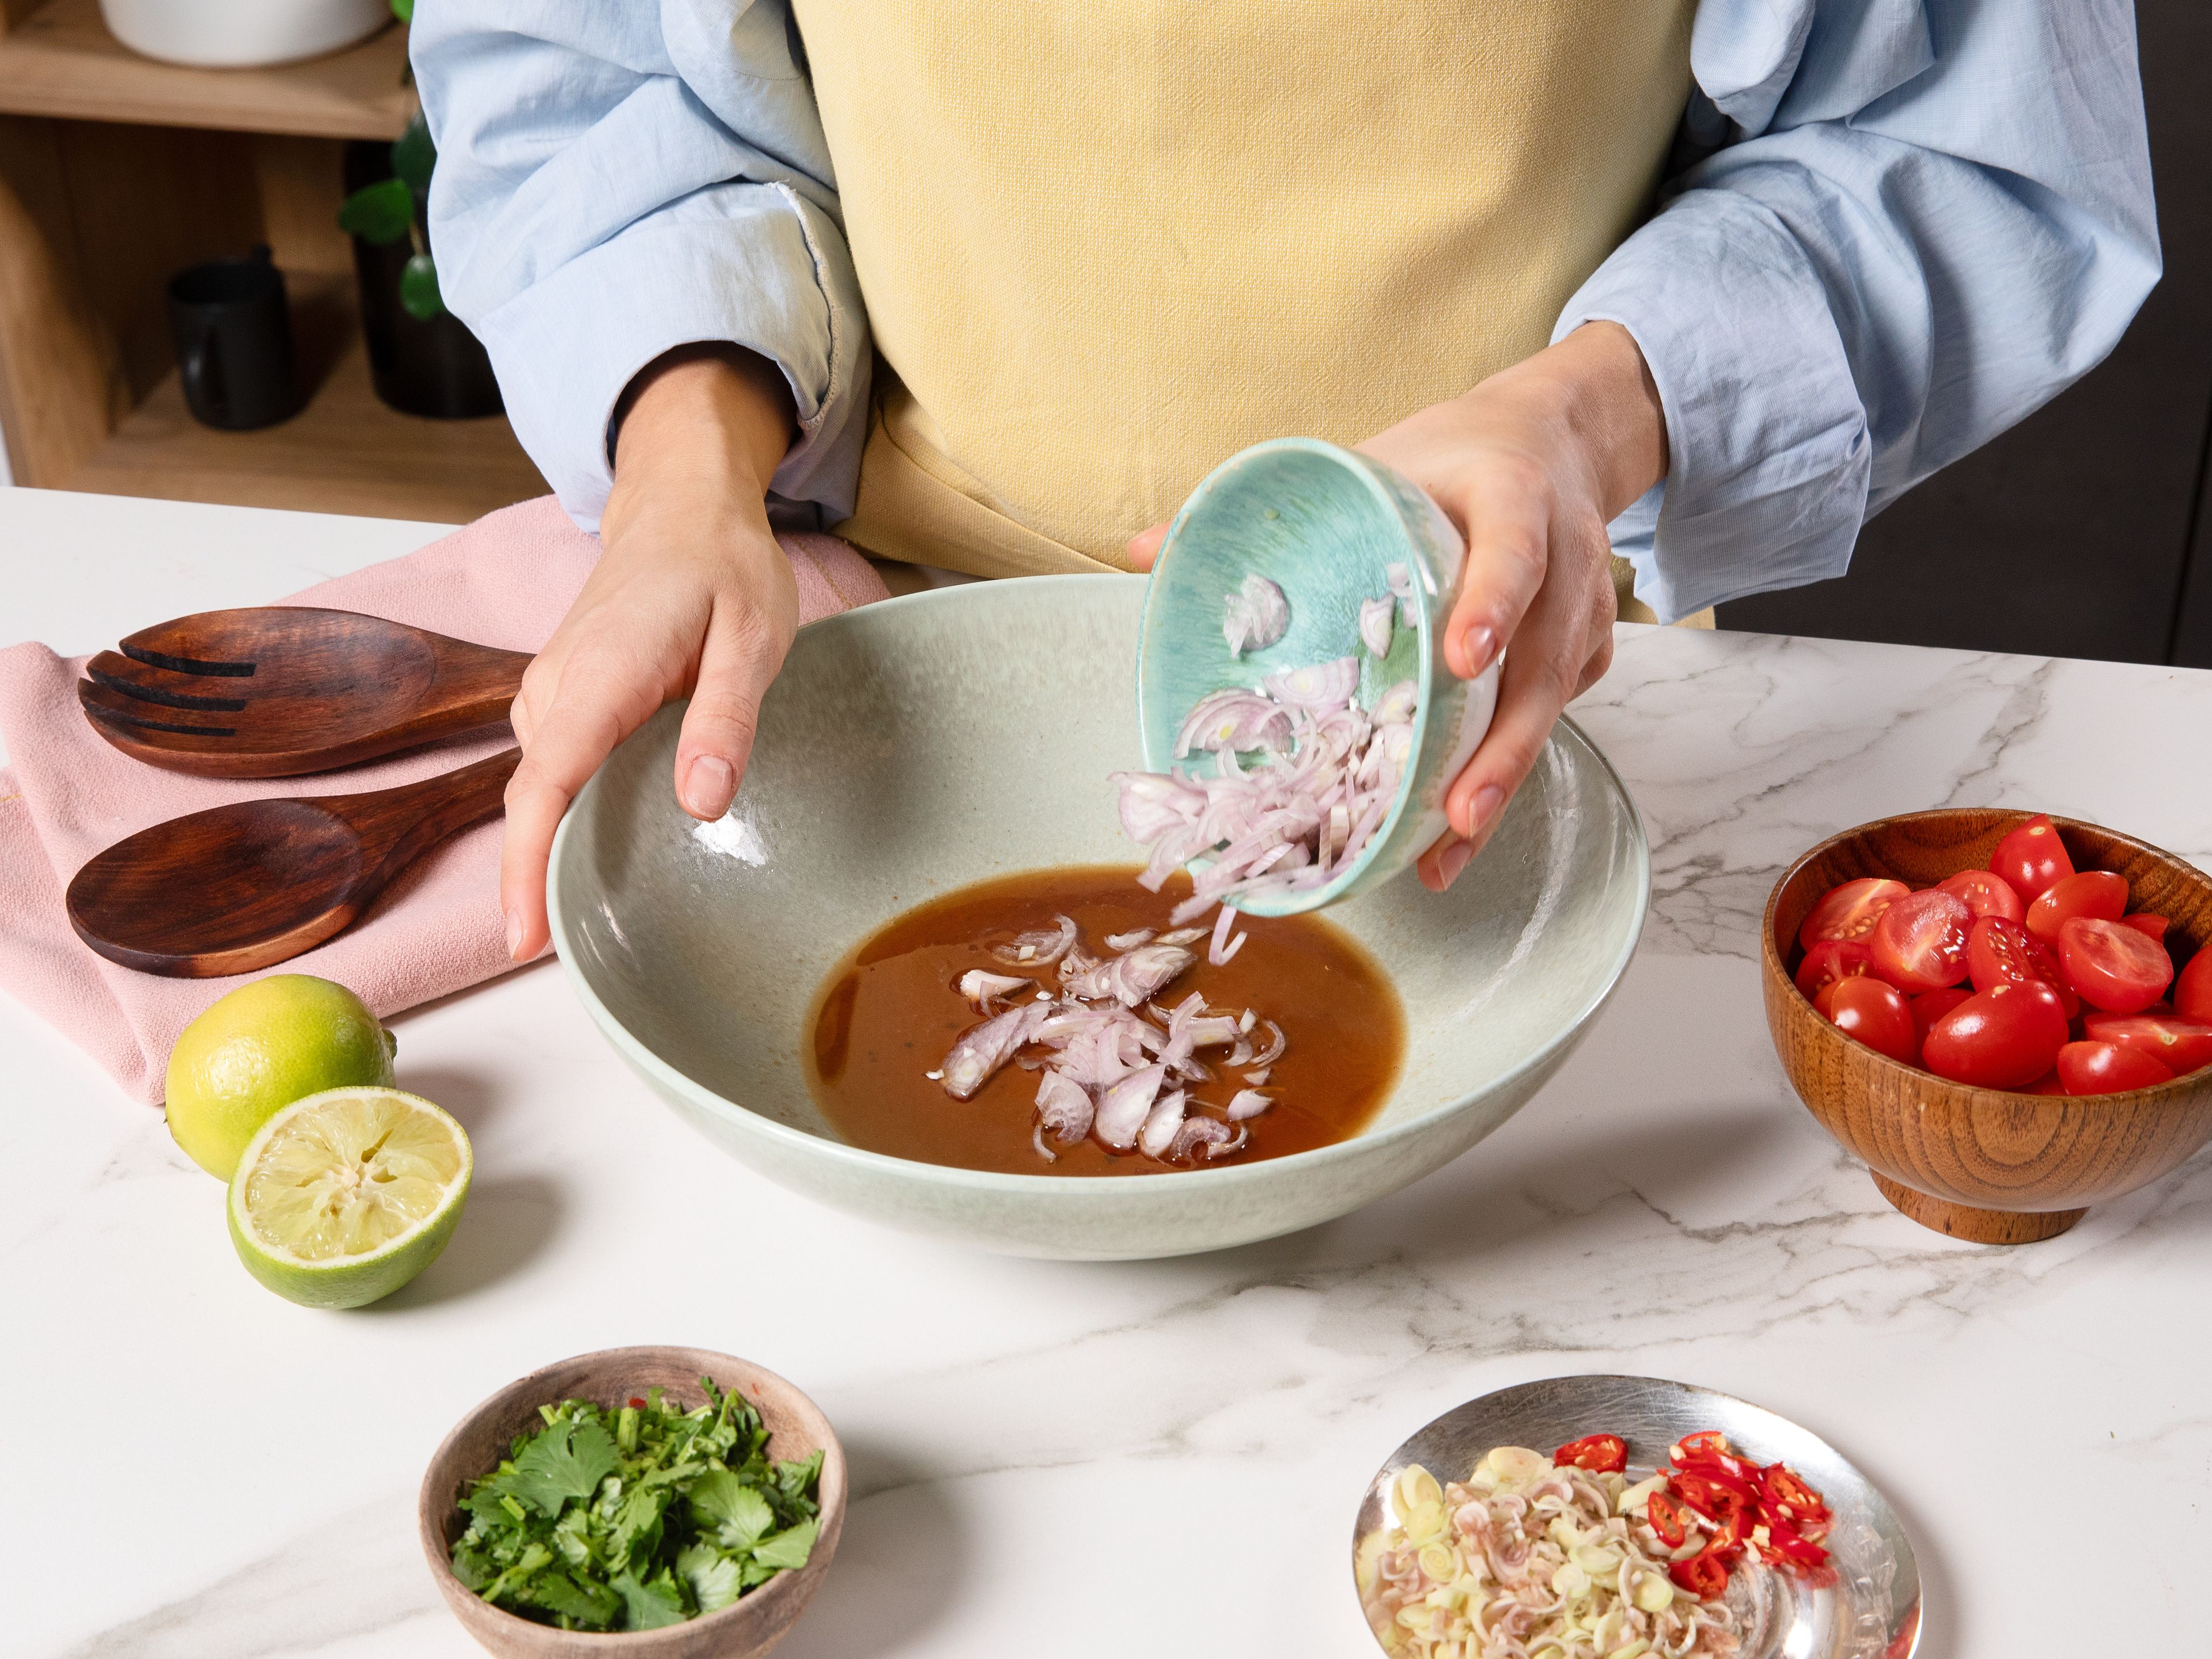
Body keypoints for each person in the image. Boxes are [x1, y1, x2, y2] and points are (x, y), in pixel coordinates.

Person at [412, 1, 2156, 963]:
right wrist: (679, 470)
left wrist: (1589, 414)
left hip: (1508, 688)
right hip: (865, 665)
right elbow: (592, 69)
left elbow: (1963, 143)